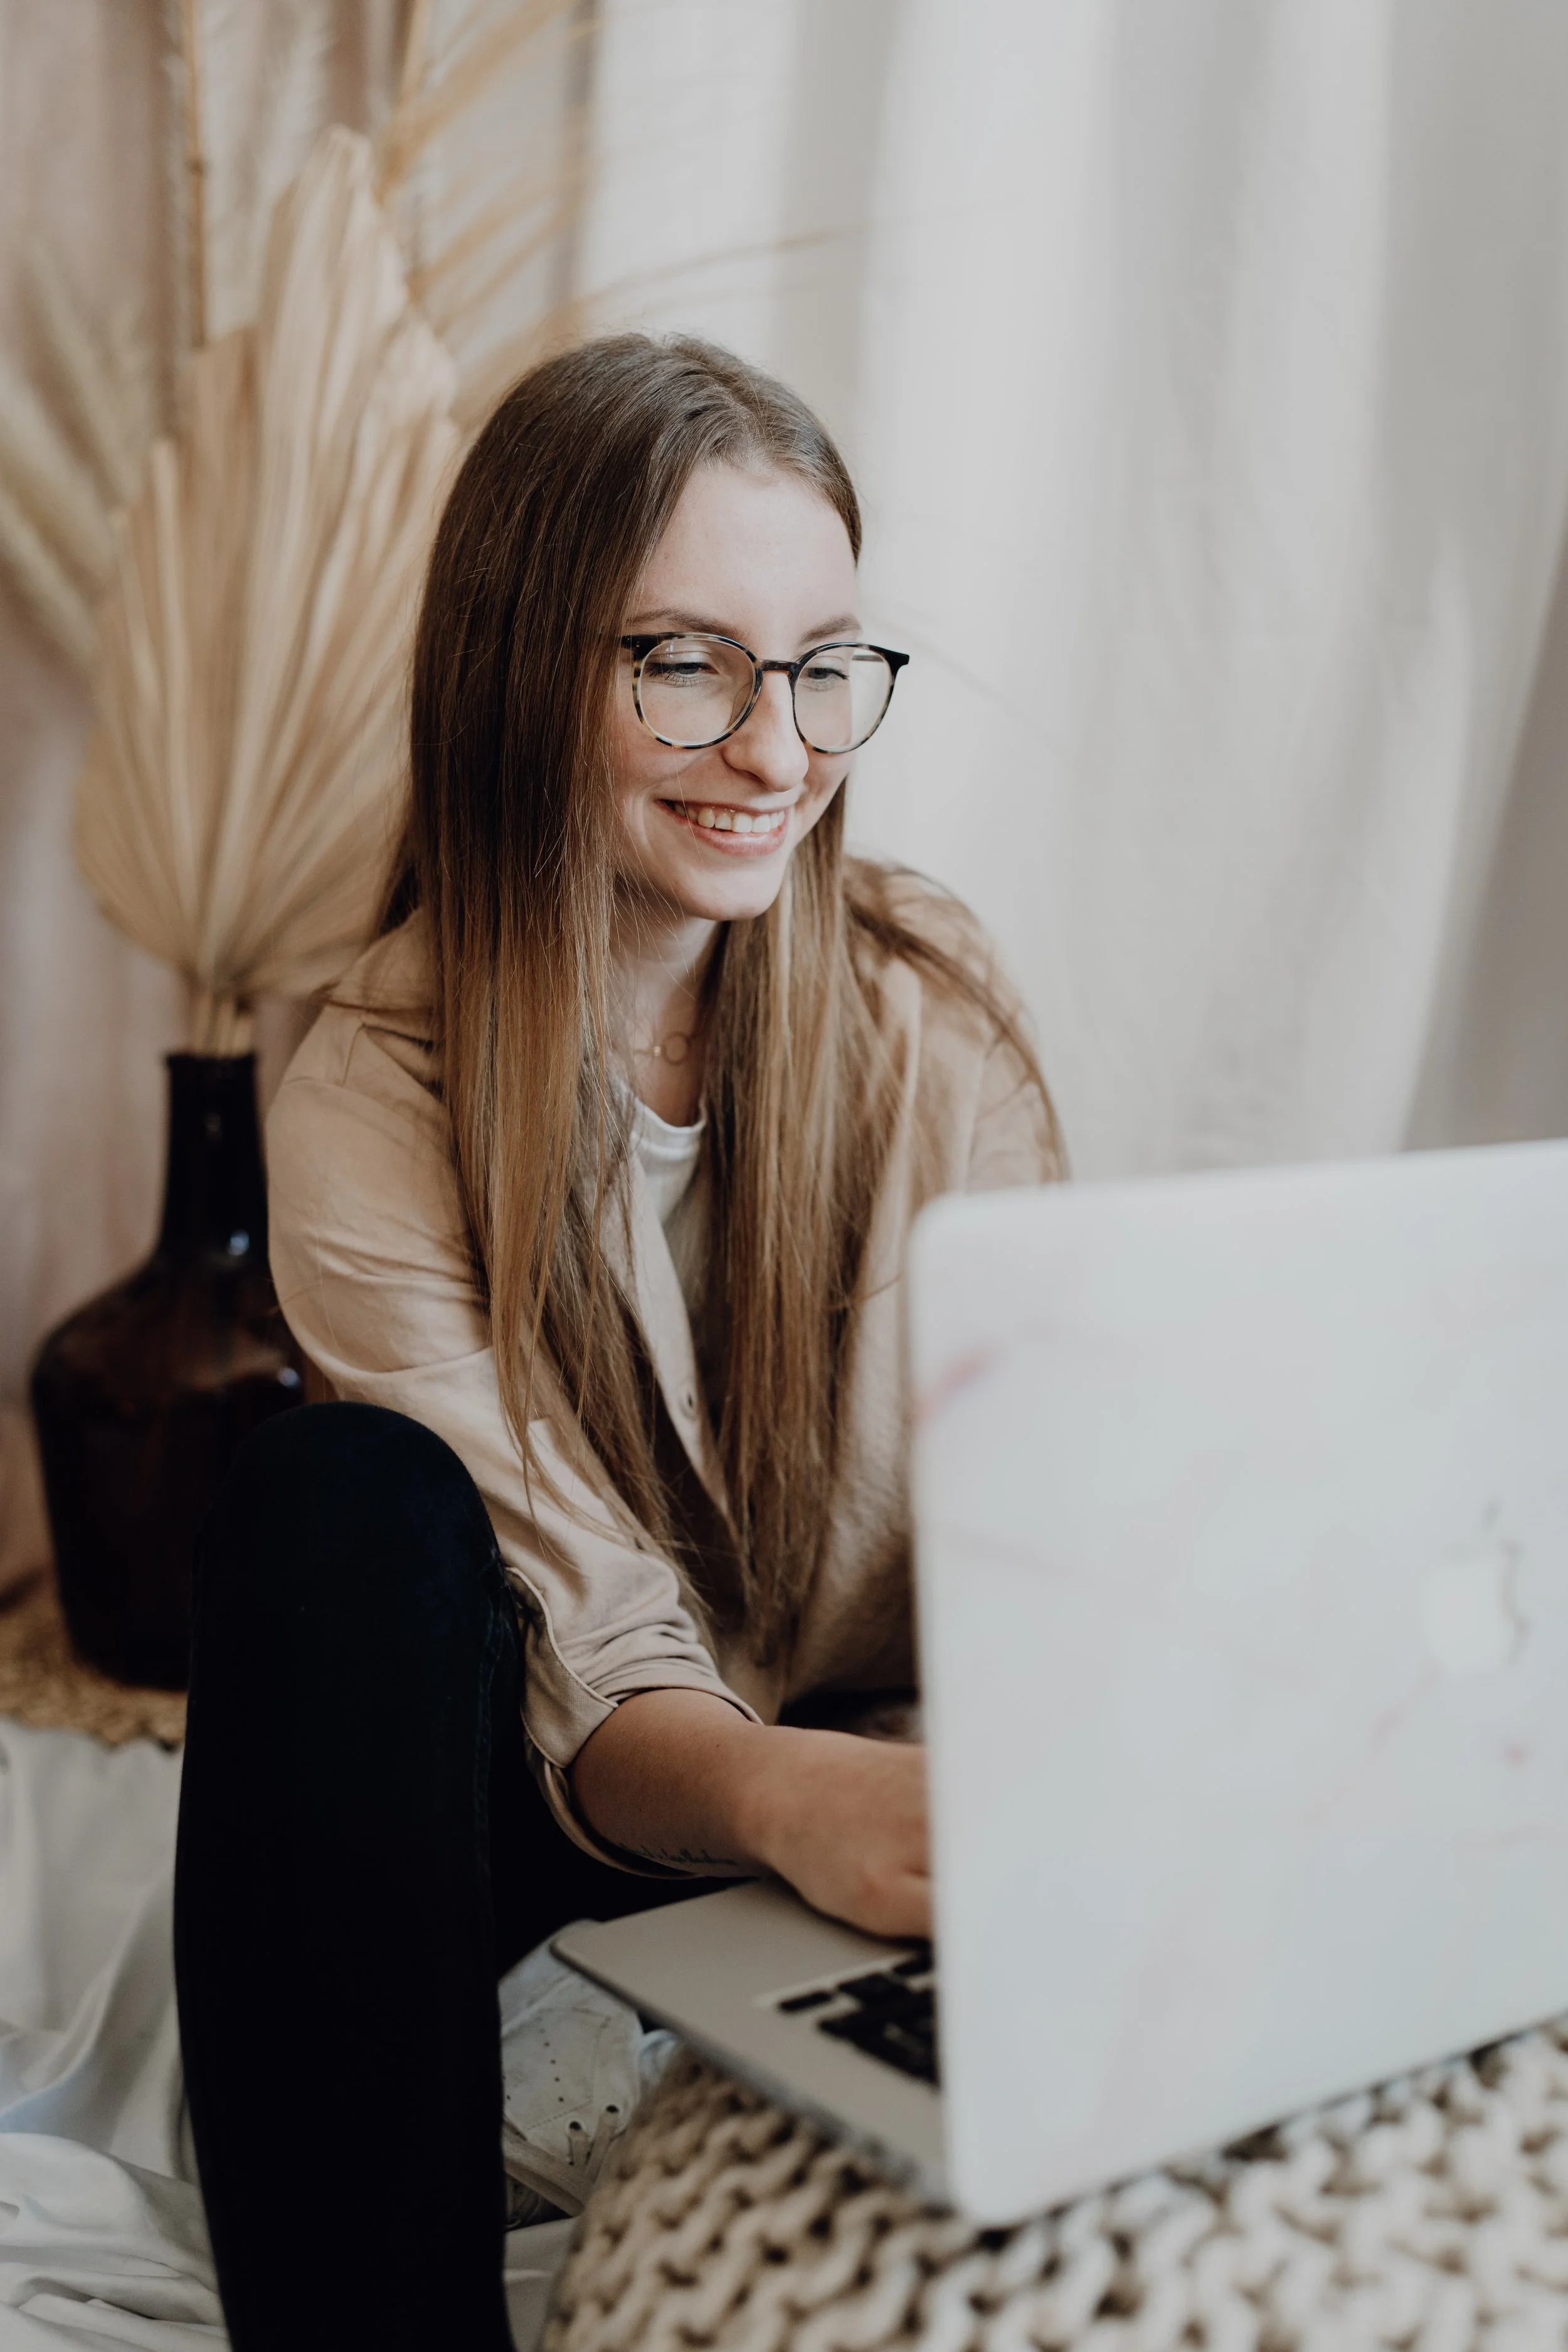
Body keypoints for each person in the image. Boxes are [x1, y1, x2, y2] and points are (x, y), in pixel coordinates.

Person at [173, 334, 1062, 2351]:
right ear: (518, 671)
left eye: (825, 660)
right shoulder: (374, 1085)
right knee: (330, 1505)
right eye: (684, 661)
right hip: (574, 1801)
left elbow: (1049, 1506)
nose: (776, 749)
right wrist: (784, 1798)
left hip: (874, 1784)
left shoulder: (930, 1017)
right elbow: (600, 1651)